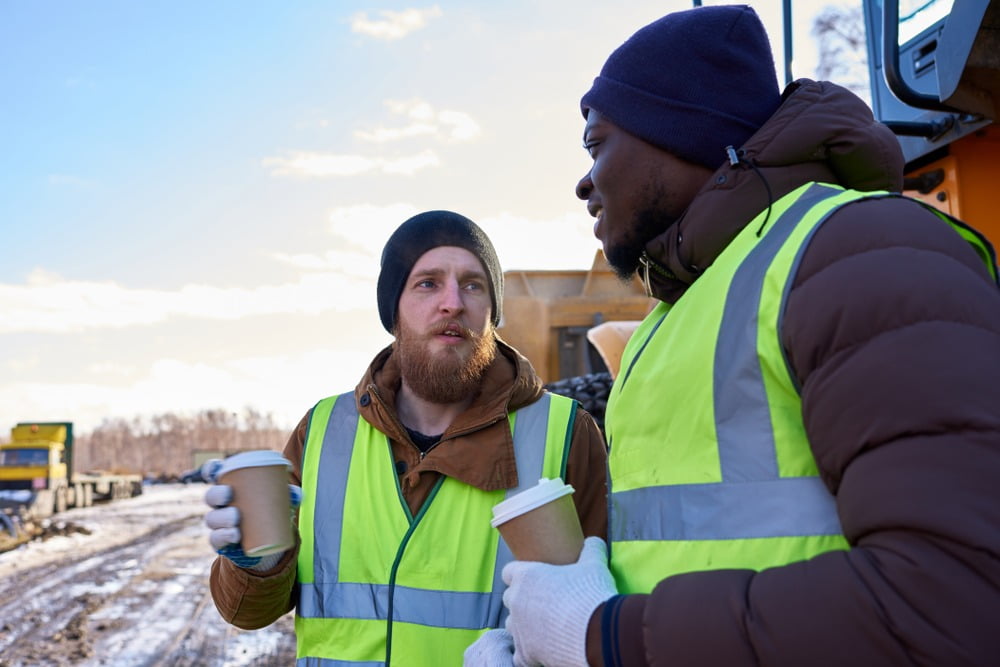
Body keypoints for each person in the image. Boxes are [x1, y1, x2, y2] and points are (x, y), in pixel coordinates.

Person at [467, 5, 1000, 666]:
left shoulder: (862, 251)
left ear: (682, 132)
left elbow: (953, 603)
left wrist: (601, 637)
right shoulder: (678, 316)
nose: (584, 182)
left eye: (597, 143)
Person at [204, 210, 609, 665]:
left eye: (473, 285)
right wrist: (256, 566)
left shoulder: (565, 433)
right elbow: (249, 612)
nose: (453, 302)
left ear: (493, 314)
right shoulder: (322, 430)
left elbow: (598, 624)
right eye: (427, 283)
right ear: (392, 311)